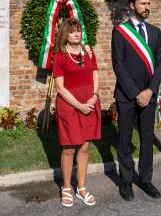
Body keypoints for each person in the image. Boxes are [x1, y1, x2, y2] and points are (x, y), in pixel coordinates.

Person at [111, 0, 161, 201]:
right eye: (142, 3)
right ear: (132, 5)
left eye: (148, 3)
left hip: (149, 96)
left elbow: (160, 63)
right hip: (126, 96)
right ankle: (125, 181)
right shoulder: (120, 32)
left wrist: (150, 90)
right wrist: (136, 93)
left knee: (146, 139)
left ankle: (146, 179)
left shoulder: (155, 32)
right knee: (124, 140)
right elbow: (119, 65)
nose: (147, 7)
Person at [53, 18, 101, 207]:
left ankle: (81, 187)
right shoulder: (60, 56)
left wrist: (95, 96)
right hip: (69, 105)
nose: (77, 34)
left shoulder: (89, 51)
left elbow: (95, 74)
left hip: (90, 102)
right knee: (69, 148)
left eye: (79, 30)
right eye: (72, 31)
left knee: (85, 147)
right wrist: (79, 105)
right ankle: (66, 187)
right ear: (65, 34)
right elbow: (60, 88)